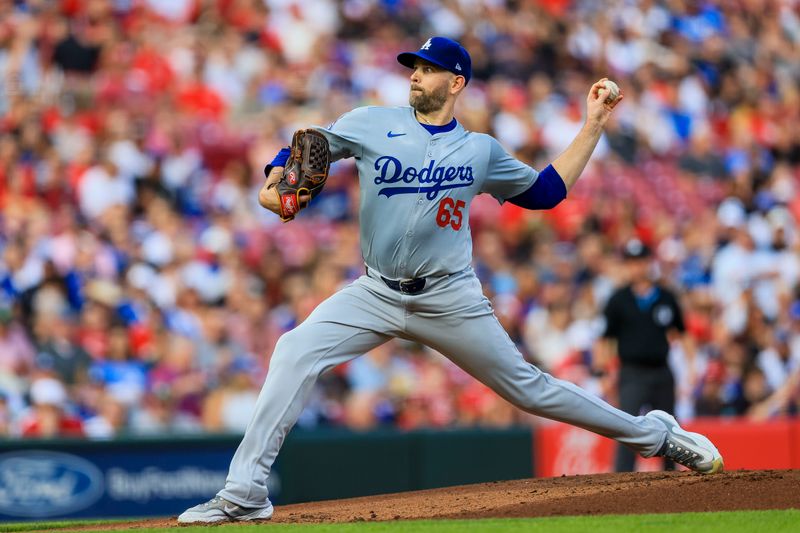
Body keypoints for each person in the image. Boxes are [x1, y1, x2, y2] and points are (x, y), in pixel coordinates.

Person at [179, 37, 723, 524]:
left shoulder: (480, 150)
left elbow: (546, 194)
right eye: (413, 67)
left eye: (428, 68)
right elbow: (310, 146)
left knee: (528, 389)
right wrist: (276, 179)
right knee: (295, 349)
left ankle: (658, 435)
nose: (415, 74)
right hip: (375, 291)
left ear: (456, 82)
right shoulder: (372, 121)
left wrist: (594, 124)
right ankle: (245, 493)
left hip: (448, 295)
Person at [597, 239, 696, 472]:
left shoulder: (665, 297)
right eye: (631, 263)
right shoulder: (618, 299)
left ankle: (673, 481)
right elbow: (605, 338)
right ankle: (622, 481)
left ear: (648, 263)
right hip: (631, 373)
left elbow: (682, 332)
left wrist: (691, 368)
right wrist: (603, 372)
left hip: (661, 370)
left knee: (670, 431)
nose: (636, 268)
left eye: (640, 262)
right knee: (627, 429)